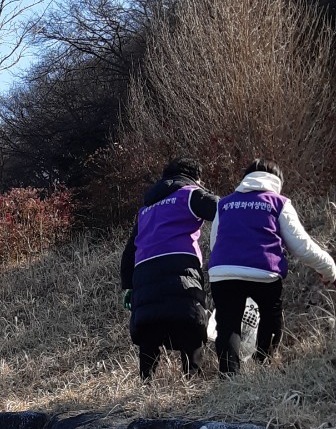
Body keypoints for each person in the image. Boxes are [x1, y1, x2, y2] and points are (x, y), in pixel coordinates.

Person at [209, 158, 336, 375]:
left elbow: (215, 242)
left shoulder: (225, 204)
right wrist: (329, 268)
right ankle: (263, 364)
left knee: (227, 324)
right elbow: (302, 246)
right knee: (271, 315)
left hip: (223, 272)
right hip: (264, 272)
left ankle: (229, 376)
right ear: (277, 181)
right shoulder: (278, 202)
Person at [120, 157, 219, 381]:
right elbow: (223, 210)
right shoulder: (191, 193)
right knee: (191, 322)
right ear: (195, 176)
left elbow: (129, 251)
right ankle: (191, 380)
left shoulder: (146, 209)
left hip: (143, 273)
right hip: (180, 266)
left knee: (149, 328)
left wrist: (128, 286)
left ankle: (146, 383)